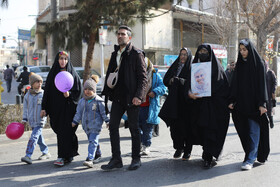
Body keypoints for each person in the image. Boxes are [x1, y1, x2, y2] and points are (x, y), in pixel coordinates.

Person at [101, 25, 147, 171]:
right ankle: (116, 159)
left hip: (132, 98)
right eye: (118, 34)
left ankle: (136, 159)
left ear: (129, 37)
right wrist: (107, 94)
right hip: (118, 98)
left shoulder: (136, 54)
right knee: (113, 127)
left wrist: (139, 96)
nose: (120, 36)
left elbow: (143, 78)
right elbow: (109, 74)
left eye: (123, 34)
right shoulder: (115, 54)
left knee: (134, 128)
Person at [185, 44, 230, 169]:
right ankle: (206, 153)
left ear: (210, 53)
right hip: (198, 107)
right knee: (202, 131)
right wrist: (189, 94)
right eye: (200, 51)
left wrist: (212, 93)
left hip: (214, 108)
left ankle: (208, 157)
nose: (202, 53)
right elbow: (188, 86)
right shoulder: (194, 69)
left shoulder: (218, 69)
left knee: (211, 132)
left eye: (205, 51)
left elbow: (224, 89)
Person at [229, 39, 269, 170]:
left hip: (254, 106)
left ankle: (250, 159)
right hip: (241, 105)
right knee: (245, 132)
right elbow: (235, 84)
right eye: (240, 50)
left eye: (244, 49)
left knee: (253, 132)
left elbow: (262, 85)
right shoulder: (240, 65)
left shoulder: (258, 64)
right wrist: (232, 100)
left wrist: (262, 103)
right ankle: (250, 155)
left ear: (249, 49)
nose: (242, 52)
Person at [41, 51, 82, 167]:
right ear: (57, 60)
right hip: (56, 109)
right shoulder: (53, 74)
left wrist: (70, 96)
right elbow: (47, 92)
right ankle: (69, 154)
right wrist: (44, 108)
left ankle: (61, 156)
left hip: (69, 110)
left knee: (66, 132)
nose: (63, 61)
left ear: (68, 61)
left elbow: (79, 91)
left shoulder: (72, 74)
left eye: (65, 59)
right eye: (60, 59)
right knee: (61, 131)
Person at [159, 47, 193, 161]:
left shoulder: (191, 68)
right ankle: (178, 147)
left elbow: (193, 83)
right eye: (181, 54)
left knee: (186, 128)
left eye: (185, 55)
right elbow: (166, 80)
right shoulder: (175, 66)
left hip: (186, 103)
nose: (183, 57)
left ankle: (187, 150)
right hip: (174, 101)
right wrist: (172, 80)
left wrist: (181, 81)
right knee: (174, 127)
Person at [72, 75, 109, 168]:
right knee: (92, 141)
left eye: (90, 89)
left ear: (94, 90)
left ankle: (90, 159)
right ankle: (98, 154)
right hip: (86, 126)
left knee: (92, 141)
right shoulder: (82, 101)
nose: (87, 91)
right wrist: (75, 121)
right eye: (86, 89)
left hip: (95, 126)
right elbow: (78, 113)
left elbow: (104, 112)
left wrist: (108, 121)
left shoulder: (98, 101)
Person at [21, 73, 51, 164]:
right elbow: (25, 108)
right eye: (37, 82)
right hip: (31, 120)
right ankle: (46, 152)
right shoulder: (27, 95)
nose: (39, 83)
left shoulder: (43, 94)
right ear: (32, 83)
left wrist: (46, 112)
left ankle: (28, 155)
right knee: (38, 137)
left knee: (33, 137)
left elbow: (47, 106)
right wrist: (24, 119)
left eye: (41, 82)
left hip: (40, 120)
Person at [139, 58, 166, 155]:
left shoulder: (155, 75)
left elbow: (163, 87)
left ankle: (146, 146)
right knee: (137, 128)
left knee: (148, 128)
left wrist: (155, 92)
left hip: (150, 107)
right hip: (137, 106)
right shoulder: (136, 75)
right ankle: (140, 144)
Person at [264, 61, 277, 128]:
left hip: (269, 93)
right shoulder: (261, 73)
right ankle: (266, 122)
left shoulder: (270, 72)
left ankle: (271, 121)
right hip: (263, 94)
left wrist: (273, 90)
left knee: (269, 108)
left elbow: (275, 82)